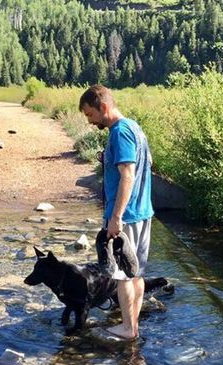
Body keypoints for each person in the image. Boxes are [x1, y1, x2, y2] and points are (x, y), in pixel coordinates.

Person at [79, 85, 154, 340]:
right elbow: (145, 164)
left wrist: (116, 217)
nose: (90, 121)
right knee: (137, 273)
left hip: (128, 216)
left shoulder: (120, 132)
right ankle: (132, 325)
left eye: (90, 114)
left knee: (122, 277)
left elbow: (128, 174)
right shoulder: (134, 127)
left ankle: (127, 329)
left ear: (103, 107)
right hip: (143, 212)